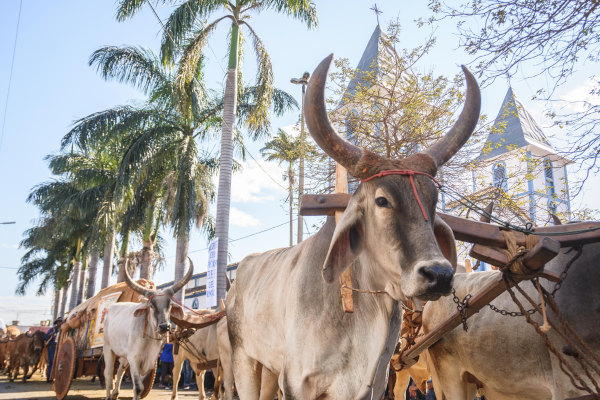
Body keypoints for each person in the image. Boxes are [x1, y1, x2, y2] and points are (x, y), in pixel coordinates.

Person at [44, 317, 63, 383]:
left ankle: (57, 377)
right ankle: (49, 377)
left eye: (61, 322)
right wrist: (50, 335)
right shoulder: (52, 330)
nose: (60, 323)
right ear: (56, 323)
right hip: (52, 347)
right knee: (51, 362)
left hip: (61, 347)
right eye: (59, 322)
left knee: (60, 362)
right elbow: (45, 337)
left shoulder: (64, 330)